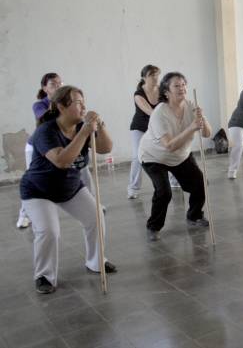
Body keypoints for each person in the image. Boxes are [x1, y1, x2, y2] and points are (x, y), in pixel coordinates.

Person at [20, 86, 116, 294]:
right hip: (38, 190)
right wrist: (84, 132)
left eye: (83, 102)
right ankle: (44, 275)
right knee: (49, 231)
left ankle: (96, 261)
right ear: (61, 107)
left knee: (96, 217)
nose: (83, 107)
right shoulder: (46, 131)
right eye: (78, 103)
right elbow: (62, 161)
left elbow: (106, 148)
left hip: (70, 187)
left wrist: (100, 126)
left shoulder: (82, 126)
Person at [139, 72, 212, 241]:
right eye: (177, 86)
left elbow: (207, 134)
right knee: (164, 192)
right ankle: (153, 227)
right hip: (153, 157)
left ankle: (194, 216)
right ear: (166, 91)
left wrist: (202, 118)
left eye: (183, 85)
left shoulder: (191, 105)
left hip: (180, 155)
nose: (182, 88)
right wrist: (192, 127)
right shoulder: (159, 113)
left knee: (200, 184)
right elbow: (169, 146)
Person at [17, 73, 63, 229]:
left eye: (60, 83)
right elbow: (45, 117)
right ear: (45, 88)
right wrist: (57, 103)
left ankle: (93, 205)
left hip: (56, 146)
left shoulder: (65, 102)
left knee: (82, 172)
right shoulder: (39, 105)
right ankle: (23, 215)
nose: (58, 86)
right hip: (35, 148)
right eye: (53, 84)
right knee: (34, 181)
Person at [128, 65, 160, 199]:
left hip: (156, 127)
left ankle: (174, 181)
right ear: (144, 78)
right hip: (140, 128)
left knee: (168, 151)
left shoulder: (162, 91)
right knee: (137, 157)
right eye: (151, 75)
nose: (155, 77)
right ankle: (133, 188)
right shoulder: (138, 94)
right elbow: (152, 112)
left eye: (157, 74)